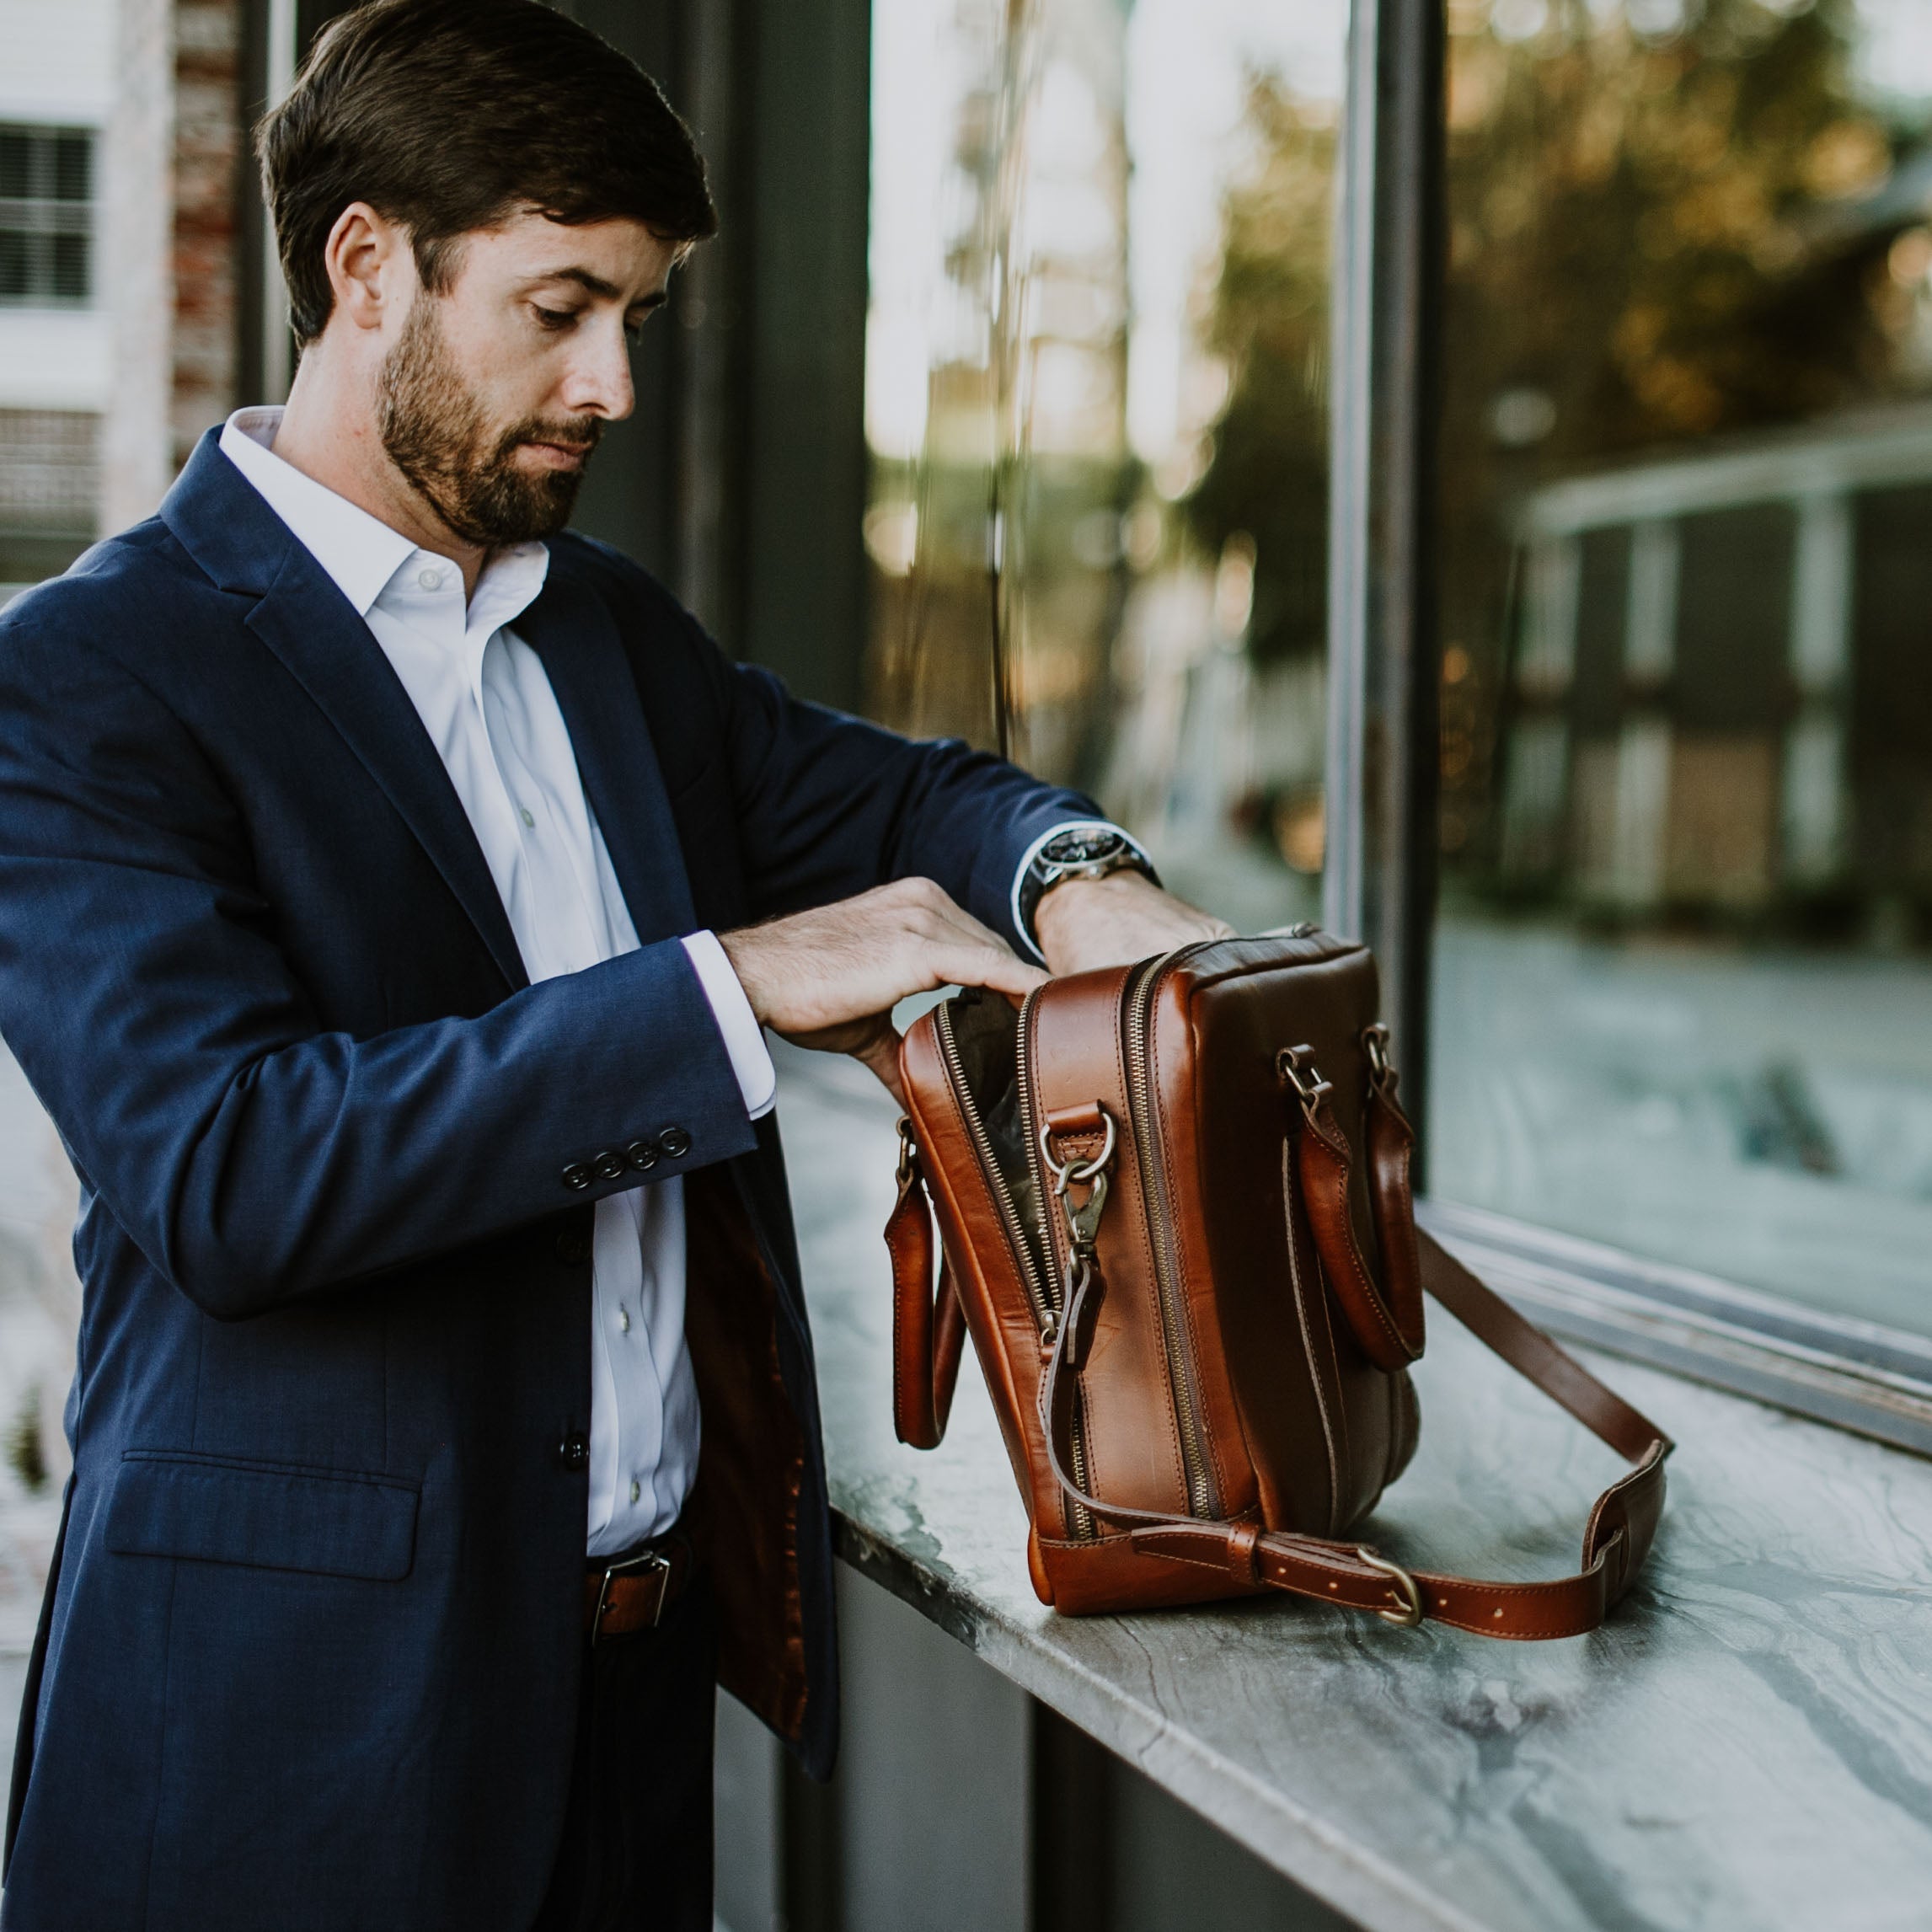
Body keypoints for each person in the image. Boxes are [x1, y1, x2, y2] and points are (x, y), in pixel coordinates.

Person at [0, 3, 1229, 1928]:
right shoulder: (81, 676)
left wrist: (1075, 880)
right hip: (281, 1748)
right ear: (367, 267)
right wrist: (727, 992)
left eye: (637, 319)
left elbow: (914, 798)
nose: (614, 385)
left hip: (637, 1712)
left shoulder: (606, 638)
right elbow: (228, 1171)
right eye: (561, 307)